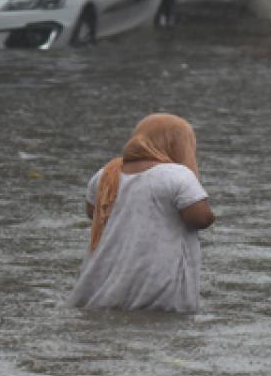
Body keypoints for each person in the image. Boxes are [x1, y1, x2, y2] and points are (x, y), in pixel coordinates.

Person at [67, 114, 216, 312]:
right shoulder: (177, 175)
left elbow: (92, 213)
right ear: (178, 144)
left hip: (102, 287)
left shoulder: (105, 174)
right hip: (155, 287)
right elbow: (200, 218)